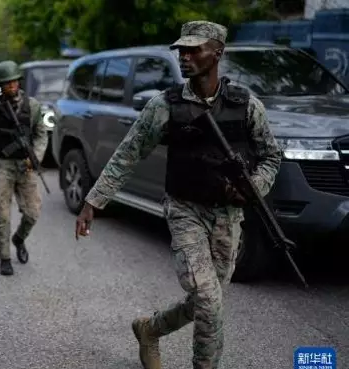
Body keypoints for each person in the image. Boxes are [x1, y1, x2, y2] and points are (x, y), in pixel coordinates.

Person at [74, 21, 282, 369]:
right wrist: (94, 201)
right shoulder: (165, 105)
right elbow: (128, 153)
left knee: (207, 299)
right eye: (181, 50)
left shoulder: (247, 105)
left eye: (194, 49)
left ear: (217, 53)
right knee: (208, 300)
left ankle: (149, 329)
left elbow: (271, 157)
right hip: (185, 209)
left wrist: (252, 187)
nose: (184, 57)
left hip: (228, 216)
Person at [0, 60, 48, 276]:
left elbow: (42, 134)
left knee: (32, 212)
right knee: (1, 213)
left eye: (14, 82)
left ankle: (19, 238)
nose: (11, 87)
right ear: (0, 86)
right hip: (2, 164)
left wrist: (37, 156)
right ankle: (4, 257)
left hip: (26, 165)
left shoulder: (32, 106)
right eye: (7, 84)